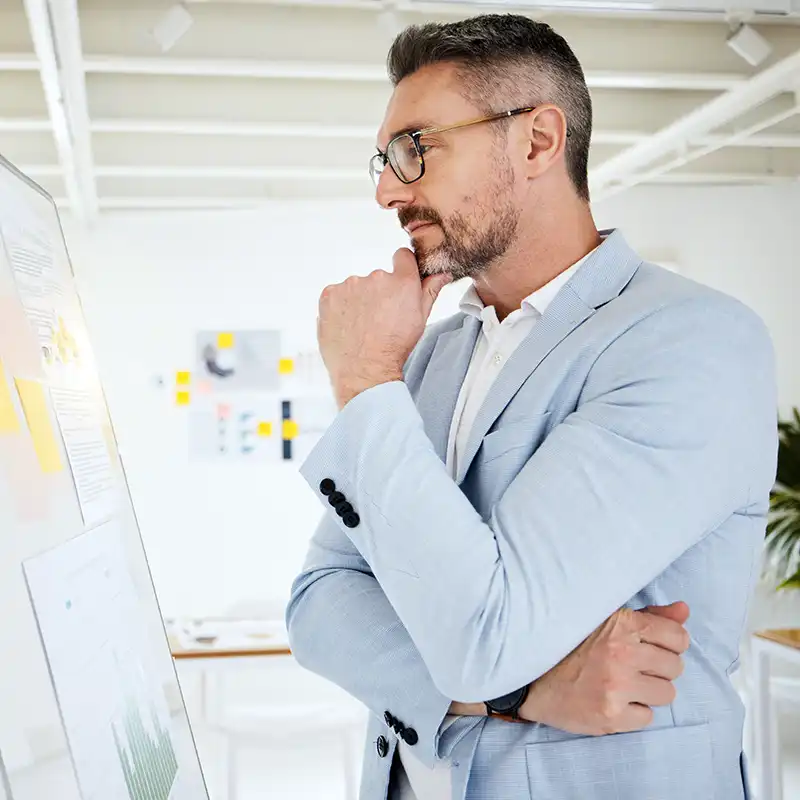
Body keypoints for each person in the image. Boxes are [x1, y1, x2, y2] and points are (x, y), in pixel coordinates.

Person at [286, 14, 778, 800]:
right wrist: (518, 695)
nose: (387, 189)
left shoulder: (692, 342)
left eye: (416, 148)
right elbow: (317, 608)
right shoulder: (435, 351)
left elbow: (489, 635)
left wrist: (367, 377)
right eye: (384, 160)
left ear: (538, 142)